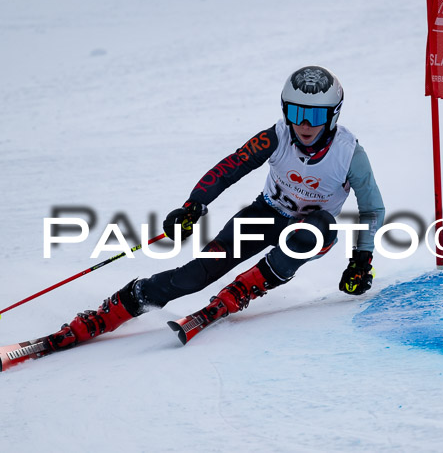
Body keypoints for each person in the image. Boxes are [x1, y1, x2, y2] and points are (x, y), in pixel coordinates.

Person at [46, 65, 385, 349]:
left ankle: (244, 288)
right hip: (264, 216)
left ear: (333, 115)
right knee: (193, 276)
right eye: (297, 113)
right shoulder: (276, 137)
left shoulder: (349, 154)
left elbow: (371, 209)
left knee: (313, 230)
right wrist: (193, 205)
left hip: (311, 230)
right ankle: (110, 313)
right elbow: (230, 167)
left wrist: (361, 259)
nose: (305, 125)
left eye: (315, 116)